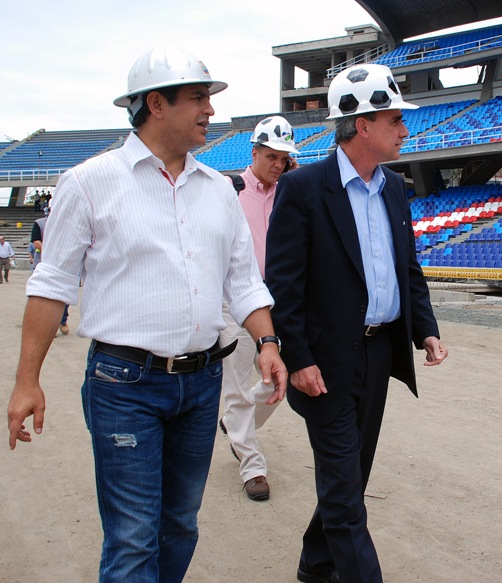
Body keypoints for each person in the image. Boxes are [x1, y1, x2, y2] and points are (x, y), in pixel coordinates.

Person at [6, 45, 287, 583]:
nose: (210, 109)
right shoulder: (88, 183)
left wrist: (267, 342)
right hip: (123, 384)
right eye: (198, 98)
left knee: (180, 525)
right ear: (156, 104)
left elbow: (243, 281)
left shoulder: (218, 190)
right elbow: (51, 285)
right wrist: (27, 381)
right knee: (133, 537)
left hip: (201, 384)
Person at [265, 63, 449, 583]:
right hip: (323, 364)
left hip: (378, 353)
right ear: (363, 126)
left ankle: (315, 564)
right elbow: (283, 286)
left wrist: (425, 329)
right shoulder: (302, 188)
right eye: (395, 120)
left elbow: (406, 268)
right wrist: (298, 358)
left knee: (352, 476)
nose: (405, 130)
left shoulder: (394, 188)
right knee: (346, 495)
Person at [218, 115, 299, 501]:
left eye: (284, 159)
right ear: (254, 153)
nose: (278, 165)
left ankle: (235, 424)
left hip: (275, 300)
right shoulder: (228, 191)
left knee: (279, 379)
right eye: (271, 157)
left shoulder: (289, 193)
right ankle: (253, 467)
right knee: (235, 385)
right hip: (233, 302)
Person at [30, 216, 70, 335]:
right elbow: (36, 242)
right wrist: (51, 252)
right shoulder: (39, 223)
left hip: (63, 264)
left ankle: (62, 321)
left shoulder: (67, 222)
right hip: (42, 263)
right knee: (42, 295)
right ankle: (46, 325)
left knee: (64, 295)